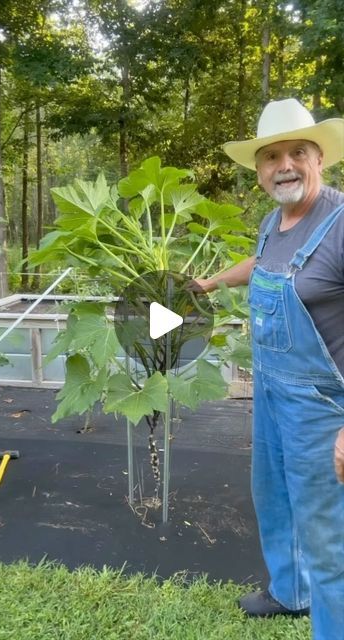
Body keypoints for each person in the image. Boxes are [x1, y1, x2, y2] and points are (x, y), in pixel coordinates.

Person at [192, 98, 344, 640]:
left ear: (319, 158)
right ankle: (290, 591)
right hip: (274, 392)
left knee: (329, 536)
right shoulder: (273, 220)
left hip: (324, 406)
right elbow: (264, 262)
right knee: (274, 495)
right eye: (271, 155)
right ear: (259, 170)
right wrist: (211, 283)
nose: (284, 165)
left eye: (296, 152)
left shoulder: (341, 220)